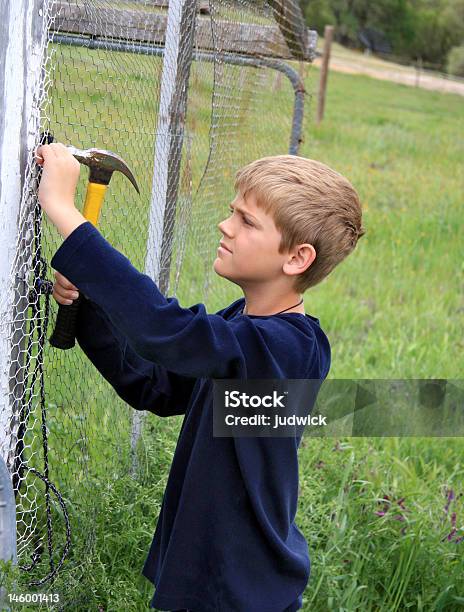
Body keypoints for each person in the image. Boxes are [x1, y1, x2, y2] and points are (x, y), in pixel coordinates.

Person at [36, 143, 365, 612]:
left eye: (247, 221)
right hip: (211, 574)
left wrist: (65, 212)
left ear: (297, 258)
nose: (225, 226)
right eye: (233, 212)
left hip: (236, 587)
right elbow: (154, 383)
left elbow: (163, 330)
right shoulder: (246, 328)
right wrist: (87, 306)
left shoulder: (287, 349)